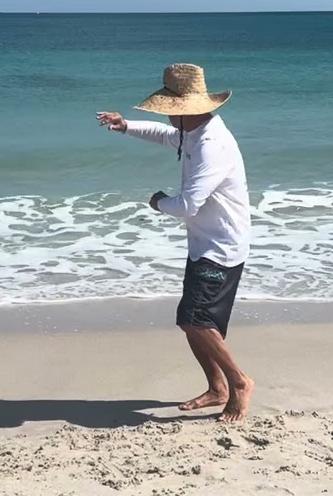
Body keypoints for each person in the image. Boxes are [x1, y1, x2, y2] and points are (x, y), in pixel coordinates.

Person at [96, 63, 254, 423]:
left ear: (186, 110)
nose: (167, 117)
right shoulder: (193, 128)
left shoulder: (212, 145)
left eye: (169, 110)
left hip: (221, 246)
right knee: (191, 321)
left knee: (197, 320)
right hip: (205, 242)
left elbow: (187, 205)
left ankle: (239, 382)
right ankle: (217, 388)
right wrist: (126, 127)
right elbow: (166, 136)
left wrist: (156, 201)